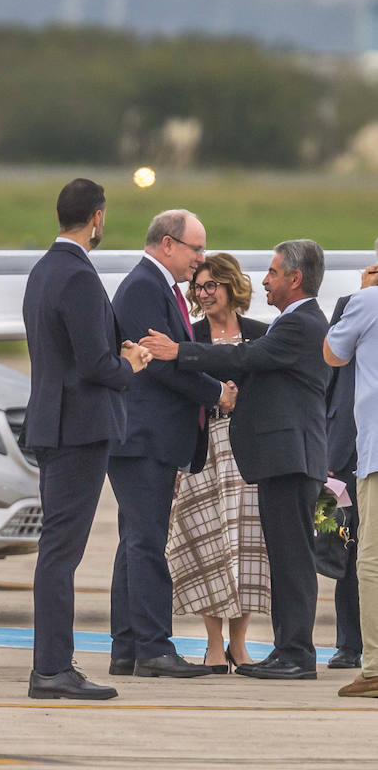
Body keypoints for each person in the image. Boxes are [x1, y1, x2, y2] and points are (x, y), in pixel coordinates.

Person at [142, 239, 330, 681]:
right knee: (285, 559)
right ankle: (289, 651)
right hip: (284, 459)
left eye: (272, 272)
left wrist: (178, 352)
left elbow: (244, 355)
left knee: (292, 560)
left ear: (294, 279)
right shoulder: (294, 322)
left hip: (291, 458)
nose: (265, 279)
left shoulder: (298, 324)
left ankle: (297, 655)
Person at [23, 178, 149, 700]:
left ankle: (53, 664)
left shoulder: (43, 270)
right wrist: (131, 362)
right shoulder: (76, 276)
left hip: (52, 421)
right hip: (78, 427)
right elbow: (95, 365)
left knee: (56, 547)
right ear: (97, 218)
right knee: (61, 550)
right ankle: (52, 668)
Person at [106, 211, 230, 680]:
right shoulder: (144, 287)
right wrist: (216, 393)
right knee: (146, 544)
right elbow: (156, 364)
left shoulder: (160, 288)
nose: (201, 259)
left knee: (133, 544)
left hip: (148, 439)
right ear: (166, 244)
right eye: (196, 249)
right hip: (143, 439)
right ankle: (153, 648)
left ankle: (127, 648)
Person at [165, 254, 270, 672]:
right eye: (199, 287)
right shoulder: (190, 336)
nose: (204, 294)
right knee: (207, 544)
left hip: (248, 452)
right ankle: (212, 643)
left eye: (211, 286)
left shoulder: (259, 335)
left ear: (230, 287)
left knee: (246, 547)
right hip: (202, 450)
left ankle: (239, 644)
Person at [322, 258, 378, 697]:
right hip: (351, 451)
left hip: (371, 451)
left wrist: (364, 295)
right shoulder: (359, 303)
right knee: (348, 547)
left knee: (368, 558)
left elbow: (333, 353)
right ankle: (352, 646)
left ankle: (369, 659)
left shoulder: (366, 302)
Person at [326, 288, 364, 673]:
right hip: (340, 452)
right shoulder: (350, 304)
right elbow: (329, 370)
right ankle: (348, 644)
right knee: (339, 546)